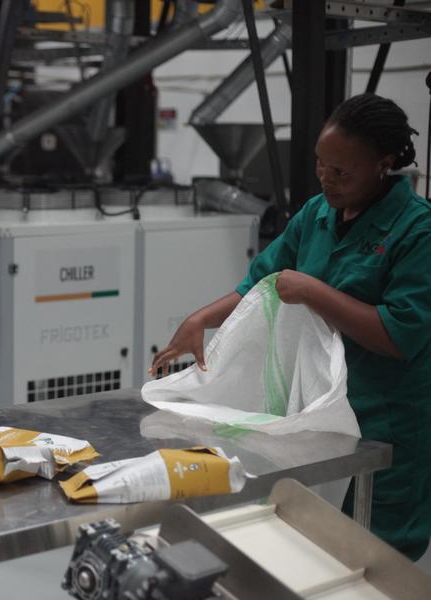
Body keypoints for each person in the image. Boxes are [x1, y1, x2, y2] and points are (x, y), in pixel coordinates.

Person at [151, 94, 431, 561]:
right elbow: (260, 284)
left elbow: (399, 335)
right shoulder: (317, 214)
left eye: (341, 171)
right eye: (321, 164)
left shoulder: (417, 231)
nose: (326, 178)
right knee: (309, 549)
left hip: (383, 421)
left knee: (376, 561)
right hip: (316, 417)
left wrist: (314, 292)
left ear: (383, 165)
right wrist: (200, 320)